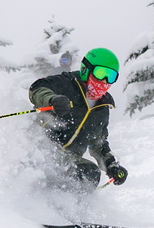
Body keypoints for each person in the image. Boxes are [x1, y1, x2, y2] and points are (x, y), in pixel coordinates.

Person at [29, 47, 129, 192]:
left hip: (66, 160)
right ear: (85, 70)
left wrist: (111, 165)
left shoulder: (102, 108)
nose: (104, 81)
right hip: (39, 147)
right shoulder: (67, 83)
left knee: (89, 173)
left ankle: (68, 210)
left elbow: (98, 143)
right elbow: (36, 89)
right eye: (100, 73)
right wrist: (51, 100)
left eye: (111, 76)